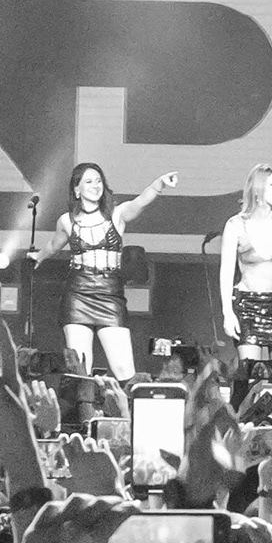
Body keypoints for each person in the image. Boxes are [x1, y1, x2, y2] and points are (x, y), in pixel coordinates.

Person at [44, 162, 178, 383]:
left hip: (110, 294)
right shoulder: (66, 220)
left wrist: (159, 184)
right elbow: (53, 245)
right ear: (77, 190)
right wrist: (37, 257)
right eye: (89, 181)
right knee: (80, 368)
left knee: (124, 368)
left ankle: (129, 403)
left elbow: (140, 202)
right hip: (78, 293)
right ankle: (82, 405)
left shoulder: (117, 214)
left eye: (99, 181)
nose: (95, 185)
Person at [217, 163, 272, 397]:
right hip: (247, 305)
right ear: (257, 189)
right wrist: (227, 312)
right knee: (248, 376)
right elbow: (226, 271)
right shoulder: (236, 224)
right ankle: (242, 419)